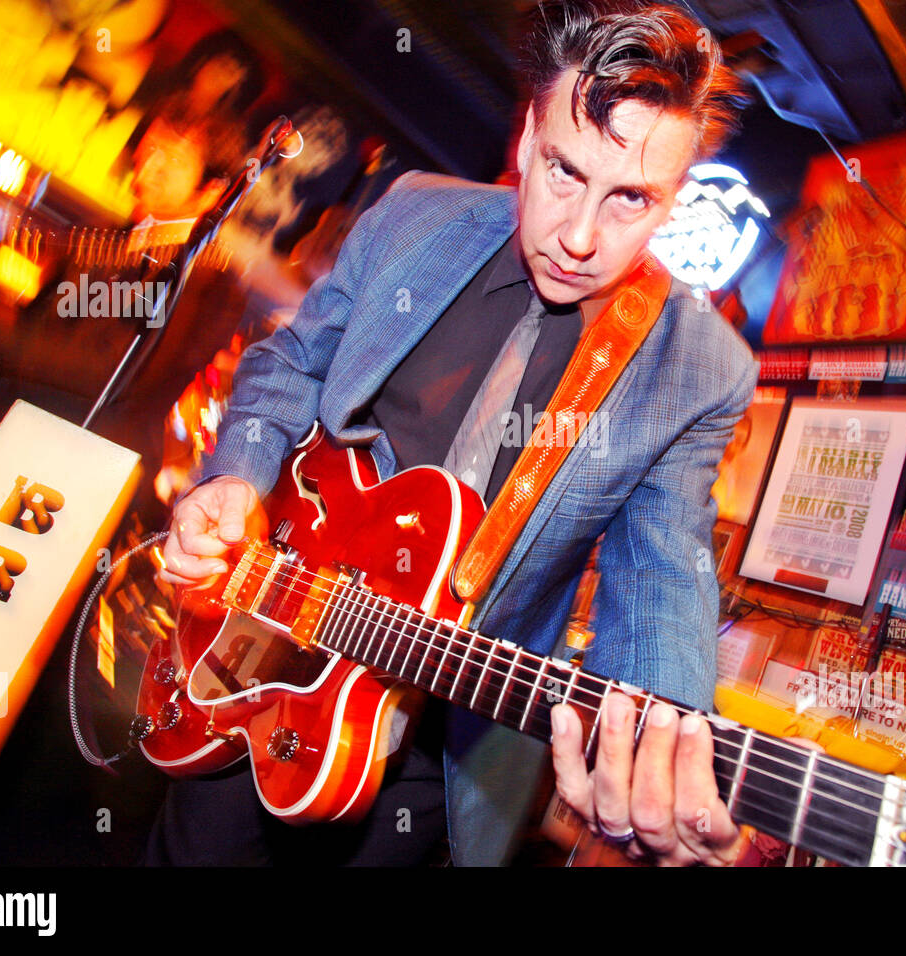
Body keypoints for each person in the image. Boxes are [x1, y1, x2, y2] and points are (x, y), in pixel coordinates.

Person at [154, 0, 756, 867]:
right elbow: (292, 366)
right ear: (524, 138)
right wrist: (235, 478)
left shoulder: (697, 368)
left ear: (672, 202)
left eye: (631, 198)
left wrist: (663, 732)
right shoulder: (414, 214)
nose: (581, 237)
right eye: (562, 173)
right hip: (261, 643)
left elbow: (662, 575)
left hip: (431, 749)